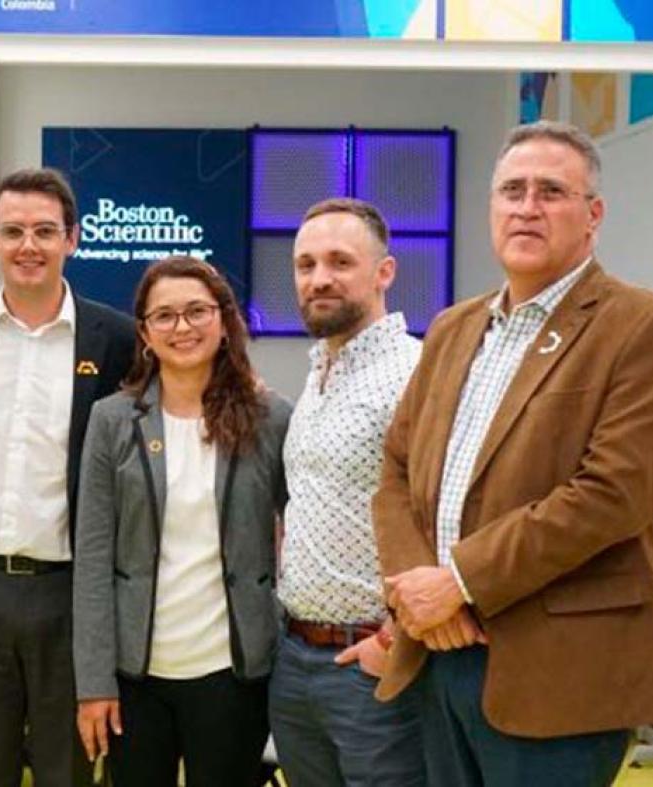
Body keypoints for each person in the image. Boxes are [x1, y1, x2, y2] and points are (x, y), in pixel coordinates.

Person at [374, 120, 653, 786]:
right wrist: (423, 597)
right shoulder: (453, 328)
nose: (527, 206)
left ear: (593, 214)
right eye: (512, 190)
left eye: (552, 191)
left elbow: (612, 495)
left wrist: (458, 580)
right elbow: (396, 471)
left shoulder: (644, 327)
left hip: (559, 675)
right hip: (439, 651)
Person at [0, 168, 136, 786]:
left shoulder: (117, 338)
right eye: (13, 230)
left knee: (66, 770)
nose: (29, 246)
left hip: (72, 592)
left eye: (46, 231)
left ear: (73, 238)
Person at [73, 256, 290, 786]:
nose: (183, 327)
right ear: (144, 332)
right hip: (135, 675)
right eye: (164, 316)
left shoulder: (272, 419)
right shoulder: (112, 421)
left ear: (223, 320)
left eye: (197, 311)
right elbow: (94, 558)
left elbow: (302, 533)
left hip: (233, 671)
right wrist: (94, 684)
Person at [269, 198, 424, 786]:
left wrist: (394, 640)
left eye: (340, 262)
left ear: (384, 272)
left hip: (370, 664)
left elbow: (448, 516)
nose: (319, 279)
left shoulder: (416, 373)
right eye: (305, 265)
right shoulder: (320, 371)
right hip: (297, 661)